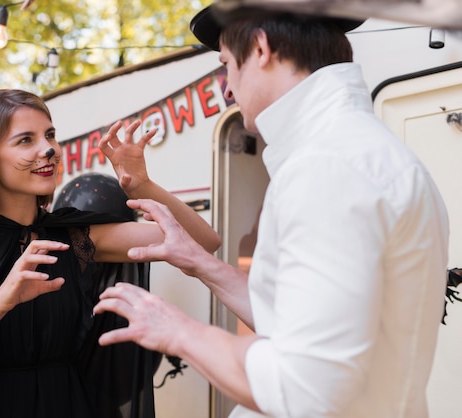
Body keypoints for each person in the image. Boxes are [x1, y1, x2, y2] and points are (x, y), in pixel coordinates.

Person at [94, 5, 450, 418]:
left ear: (260, 48)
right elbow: (291, 322)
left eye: (227, 65)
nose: (227, 89)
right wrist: (197, 261)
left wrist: (177, 330)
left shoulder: (328, 166)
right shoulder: (354, 151)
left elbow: (302, 388)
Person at [0, 89, 221, 418]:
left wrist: (142, 184)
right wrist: (0, 302)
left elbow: (202, 243)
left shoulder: (74, 237)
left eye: (50, 135)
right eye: (26, 140)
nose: (49, 149)